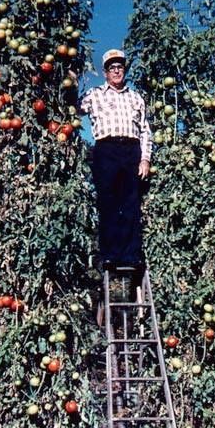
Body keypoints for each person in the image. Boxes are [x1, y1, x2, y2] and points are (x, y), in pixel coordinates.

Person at [80, 49, 152, 269]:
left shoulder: (135, 97)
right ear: (105, 72)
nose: (117, 70)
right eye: (112, 67)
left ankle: (131, 255)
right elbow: (73, 110)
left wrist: (145, 159)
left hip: (131, 150)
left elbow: (145, 131)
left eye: (120, 66)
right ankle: (110, 255)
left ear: (125, 70)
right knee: (108, 202)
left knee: (130, 203)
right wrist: (70, 81)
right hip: (106, 149)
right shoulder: (95, 95)